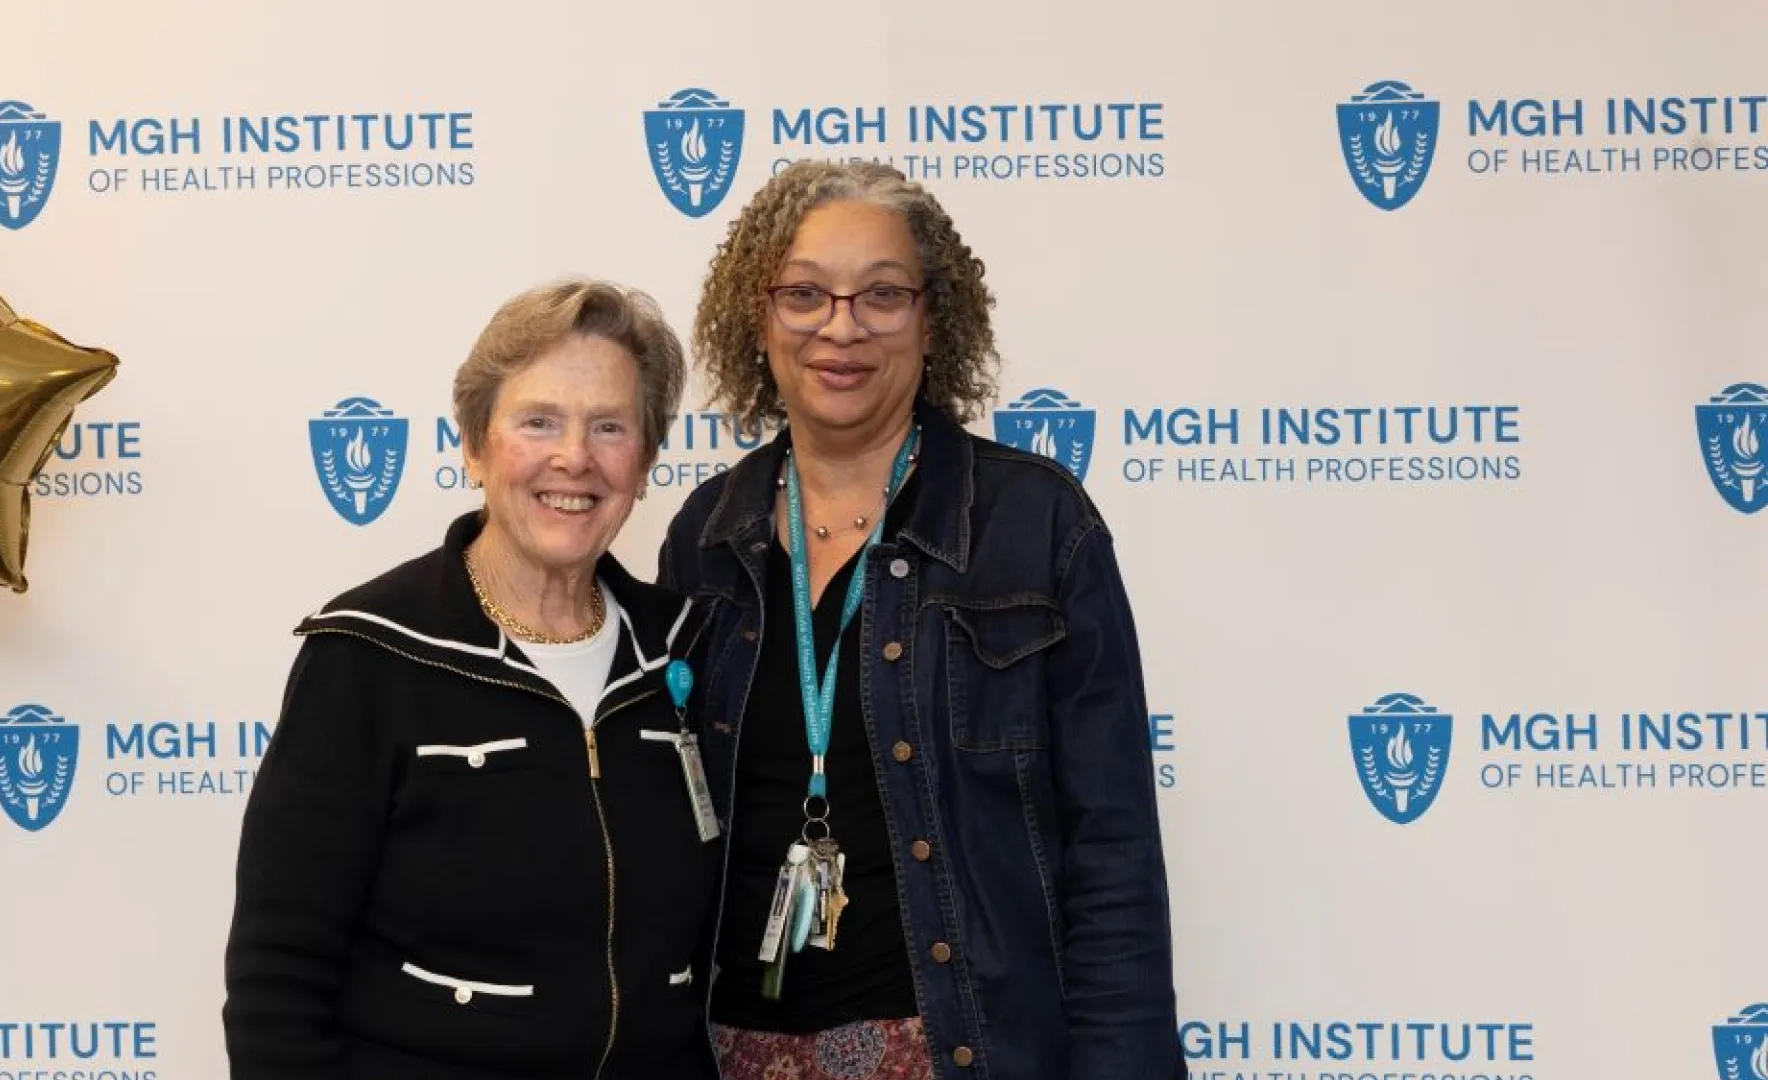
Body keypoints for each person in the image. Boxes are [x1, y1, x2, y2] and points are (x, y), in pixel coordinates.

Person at [658, 161, 1188, 1080]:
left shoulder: (1038, 527)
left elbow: (1113, 858)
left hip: (957, 1054)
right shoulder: (706, 537)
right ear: (759, 317)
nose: (842, 324)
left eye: (884, 294)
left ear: (935, 318)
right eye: (805, 294)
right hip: (729, 1053)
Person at [223, 280, 723, 1079]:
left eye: (609, 426)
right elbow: (277, 981)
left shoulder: (685, 651)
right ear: (474, 443)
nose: (575, 457)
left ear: (647, 456)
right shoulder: (371, 654)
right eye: (538, 421)